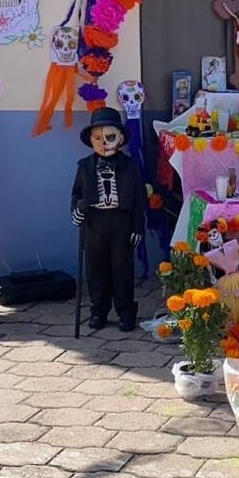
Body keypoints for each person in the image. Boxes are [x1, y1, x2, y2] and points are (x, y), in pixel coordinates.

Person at [70, 107, 148, 332]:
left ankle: (126, 312)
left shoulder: (130, 166)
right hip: (94, 222)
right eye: (97, 138)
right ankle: (98, 311)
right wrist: (77, 210)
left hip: (121, 223)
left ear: (120, 139)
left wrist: (138, 227)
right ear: (90, 140)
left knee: (122, 269)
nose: (104, 143)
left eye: (110, 137)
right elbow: (76, 194)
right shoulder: (84, 166)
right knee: (96, 270)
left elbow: (138, 199)